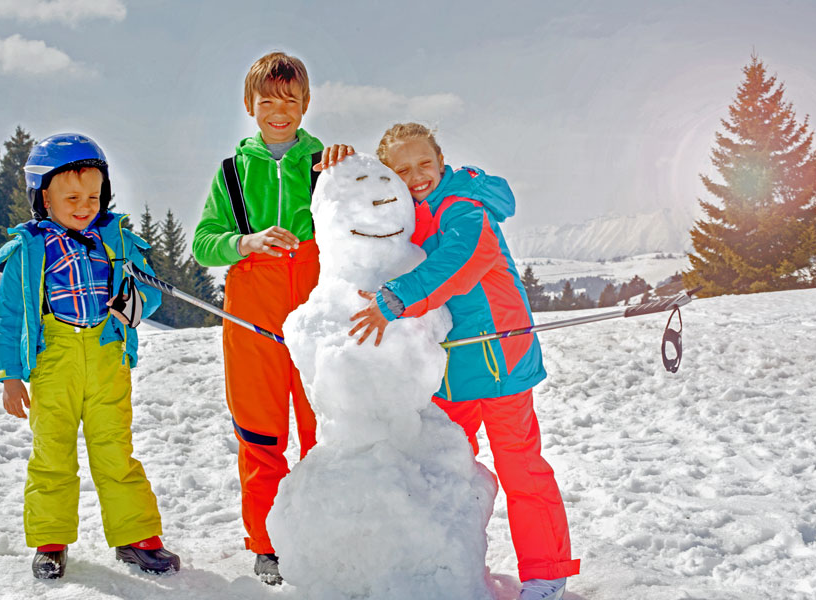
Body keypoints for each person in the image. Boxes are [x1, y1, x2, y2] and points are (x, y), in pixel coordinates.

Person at [347, 123, 580, 600]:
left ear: (441, 161)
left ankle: (545, 573)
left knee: (520, 469)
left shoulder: (463, 207)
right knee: (448, 470)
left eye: (424, 165)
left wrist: (395, 299)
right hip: (451, 372)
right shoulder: (410, 215)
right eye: (402, 169)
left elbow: (459, 260)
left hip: (500, 359)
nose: (416, 177)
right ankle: (454, 568)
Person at [191, 51, 351, 585]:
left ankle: (324, 533)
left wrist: (349, 167)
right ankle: (266, 544)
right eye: (267, 101)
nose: (278, 111)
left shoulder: (324, 163)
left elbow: (362, 219)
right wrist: (246, 241)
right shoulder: (232, 173)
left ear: (305, 105)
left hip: (316, 311)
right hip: (250, 317)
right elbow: (203, 243)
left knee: (321, 426)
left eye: (289, 100)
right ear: (249, 105)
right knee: (260, 433)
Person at [0, 133, 180, 580]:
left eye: (93, 196)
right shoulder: (29, 249)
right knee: (52, 451)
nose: (84, 205)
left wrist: (129, 304)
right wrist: (11, 375)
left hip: (105, 353)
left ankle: (137, 538)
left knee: (115, 449)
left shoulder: (118, 239)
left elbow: (150, 291)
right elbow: (10, 316)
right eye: (71, 196)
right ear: (44, 198)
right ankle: (50, 540)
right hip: (53, 356)